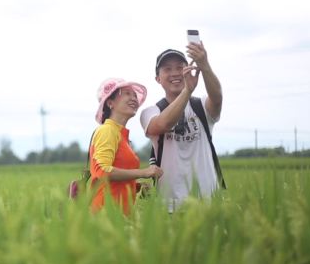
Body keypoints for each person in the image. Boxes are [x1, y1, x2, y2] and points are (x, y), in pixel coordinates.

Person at [140, 42, 224, 212]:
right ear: (158, 78)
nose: (175, 73)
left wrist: (204, 65)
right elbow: (163, 124)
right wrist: (187, 91)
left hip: (208, 203)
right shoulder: (150, 112)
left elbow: (217, 98)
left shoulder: (201, 107)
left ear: (189, 70)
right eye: (167, 69)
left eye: (180, 67)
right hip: (169, 206)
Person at [90, 78, 163, 214]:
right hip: (105, 215)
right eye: (127, 94)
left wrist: (136, 186)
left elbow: (114, 180)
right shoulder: (107, 130)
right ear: (110, 103)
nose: (133, 98)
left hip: (120, 216)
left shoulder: (121, 135)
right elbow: (102, 172)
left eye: (135, 95)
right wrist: (144, 172)